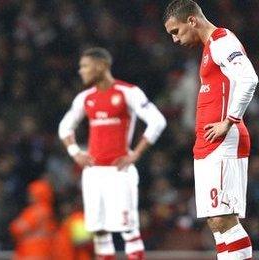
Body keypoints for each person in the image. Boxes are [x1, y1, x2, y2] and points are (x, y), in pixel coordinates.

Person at [163, 1, 258, 259]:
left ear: (192, 20)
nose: (174, 39)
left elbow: (249, 78)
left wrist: (229, 120)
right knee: (216, 223)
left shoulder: (221, 40)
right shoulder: (208, 49)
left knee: (223, 219)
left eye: (176, 31)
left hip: (224, 140)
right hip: (208, 144)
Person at [58, 47, 167, 259]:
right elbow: (65, 127)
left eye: (85, 66)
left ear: (101, 66)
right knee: (99, 231)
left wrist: (135, 153)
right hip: (93, 173)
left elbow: (157, 121)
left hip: (120, 172)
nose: (81, 71)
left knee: (129, 229)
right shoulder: (85, 98)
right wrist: (75, 152)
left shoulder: (128, 92)